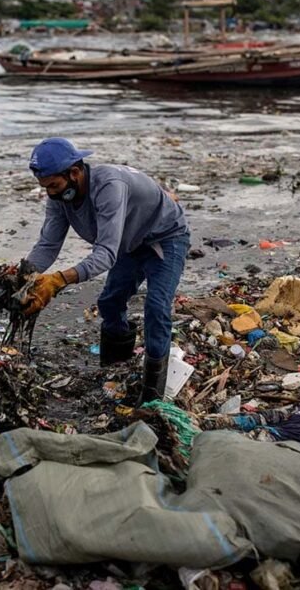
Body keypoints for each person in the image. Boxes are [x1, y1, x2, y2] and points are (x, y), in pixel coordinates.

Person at [20, 137, 190, 402]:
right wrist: (24, 275)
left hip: (165, 238)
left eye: (54, 186)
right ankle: (116, 368)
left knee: (156, 308)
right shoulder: (58, 196)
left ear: (74, 173)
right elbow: (48, 244)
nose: (50, 193)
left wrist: (59, 280)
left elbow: (106, 254)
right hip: (129, 241)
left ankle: (152, 395)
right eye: (45, 187)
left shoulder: (109, 186)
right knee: (110, 302)